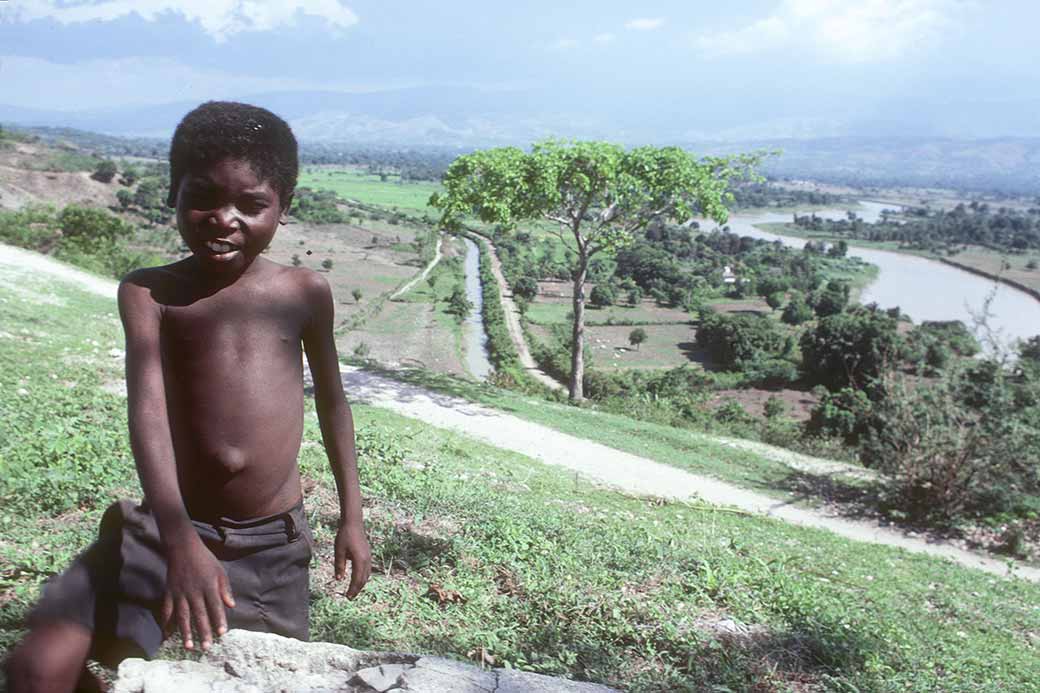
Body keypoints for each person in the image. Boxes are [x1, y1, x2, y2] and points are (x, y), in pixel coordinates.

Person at [5, 101, 371, 693]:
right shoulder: (150, 294)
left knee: (258, 679)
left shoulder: (304, 292)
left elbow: (333, 403)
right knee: (36, 670)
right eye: (203, 197)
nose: (223, 219)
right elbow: (147, 408)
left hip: (269, 546)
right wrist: (179, 540)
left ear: (284, 208)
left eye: (251, 205)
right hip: (166, 525)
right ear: (173, 193)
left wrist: (351, 516)